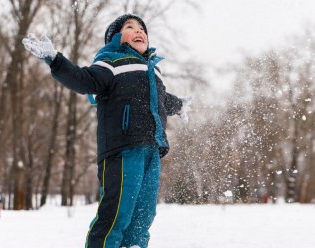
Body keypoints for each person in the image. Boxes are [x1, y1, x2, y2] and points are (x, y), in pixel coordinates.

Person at [22, 14, 192, 248]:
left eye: (142, 28)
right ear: (115, 38)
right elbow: (84, 80)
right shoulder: (111, 61)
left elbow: (161, 100)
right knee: (116, 215)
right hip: (122, 151)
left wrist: (179, 105)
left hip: (152, 149)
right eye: (130, 27)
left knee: (143, 217)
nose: (139, 31)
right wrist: (55, 60)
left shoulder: (154, 70)